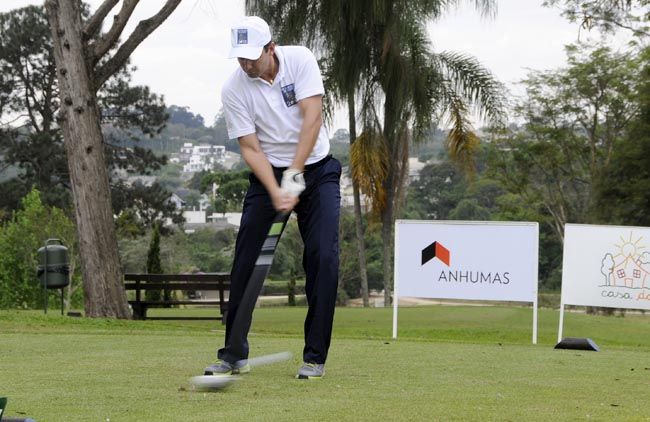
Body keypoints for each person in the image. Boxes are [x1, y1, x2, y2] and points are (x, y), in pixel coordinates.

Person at [204, 16, 341, 380]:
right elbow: (250, 148)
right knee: (246, 260)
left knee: (323, 257)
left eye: (252, 56)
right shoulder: (233, 88)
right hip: (269, 174)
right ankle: (234, 355)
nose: (246, 64)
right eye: (240, 58)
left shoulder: (300, 60)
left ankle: (315, 357)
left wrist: (294, 176)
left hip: (317, 169)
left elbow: (312, 119)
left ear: (271, 48)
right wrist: (276, 187)